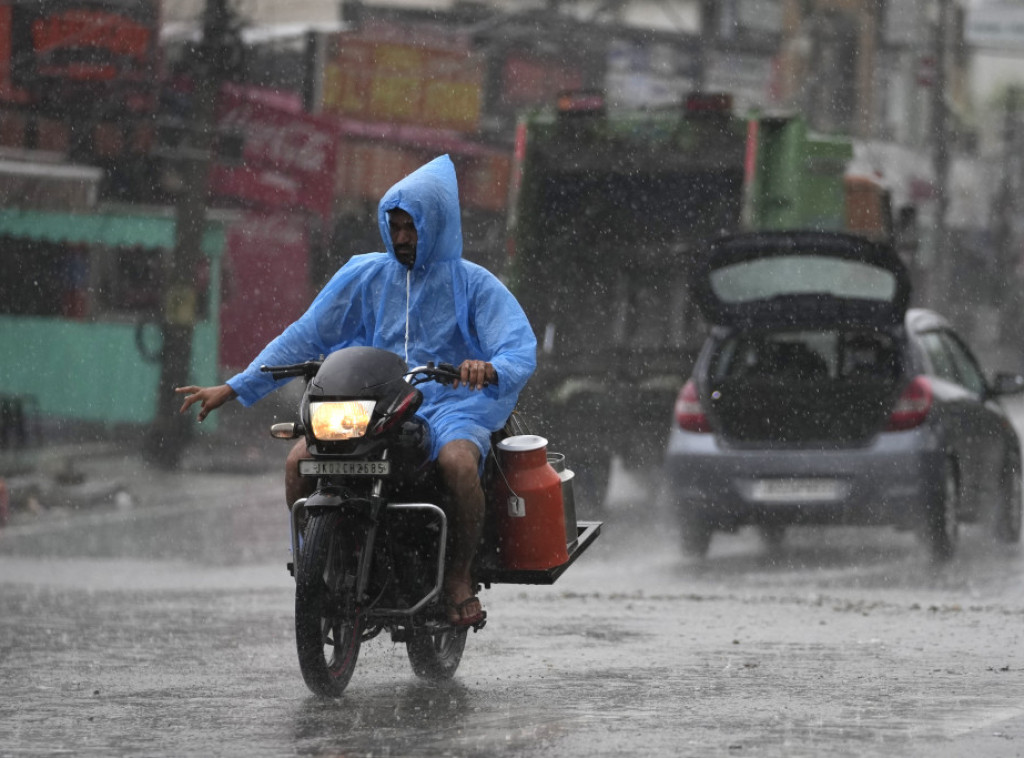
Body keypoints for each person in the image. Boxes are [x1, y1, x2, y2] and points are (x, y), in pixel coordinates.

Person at [176, 155, 537, 627]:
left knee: (457, 464)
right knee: (296, 464)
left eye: (413, 227)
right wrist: (236, 385)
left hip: (452, 405)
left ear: (437, 225)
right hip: (376, 401)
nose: (403, 238)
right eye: (396, 227)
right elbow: (304, 335)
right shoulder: (363, 274)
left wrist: (486, 368)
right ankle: (320, 566)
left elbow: (518, 348)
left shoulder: (474, 284)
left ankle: (457, 578)